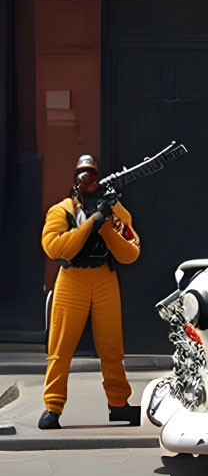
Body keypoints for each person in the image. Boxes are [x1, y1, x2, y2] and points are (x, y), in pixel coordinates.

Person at [38, 154, 142, 429]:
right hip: (72, 279)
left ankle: (118, 403)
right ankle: (52, 406)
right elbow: (55, 248)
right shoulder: (62, 211)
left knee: (112, 347)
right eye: (83, 174)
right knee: (60, 348)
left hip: (105, 278)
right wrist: (90, 222)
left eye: (92, 174)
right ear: (75, 181)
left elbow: (130, 252)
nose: (89, 179)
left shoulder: (114, 209)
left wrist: (107, 222)